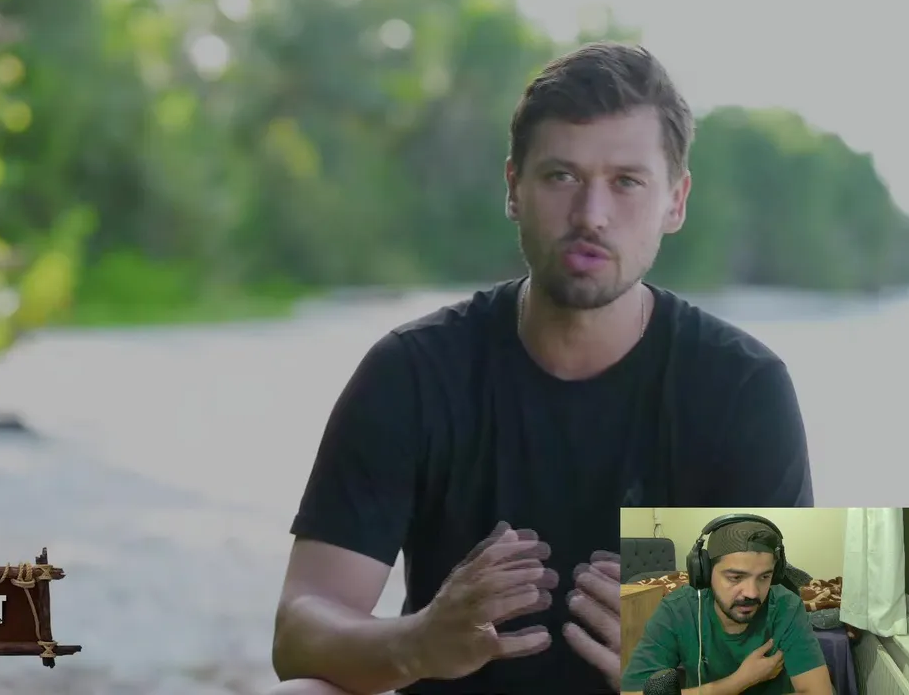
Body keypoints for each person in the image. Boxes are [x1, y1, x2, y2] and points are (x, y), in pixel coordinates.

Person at [268, 41, 815, 695]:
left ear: (676, 201)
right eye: (561, 176)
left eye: (627, 182)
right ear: (513, 189)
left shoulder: (741, 389)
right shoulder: (414, 373)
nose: (591, 216)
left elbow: (801, 668)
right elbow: (299, 632)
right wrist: (416, 643)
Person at [621, 515, 832, 694]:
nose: (751, 593)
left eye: (764, 577)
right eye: (735, 577)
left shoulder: (788, 607)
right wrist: (738, 682)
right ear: (704, 573)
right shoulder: (676, 611)